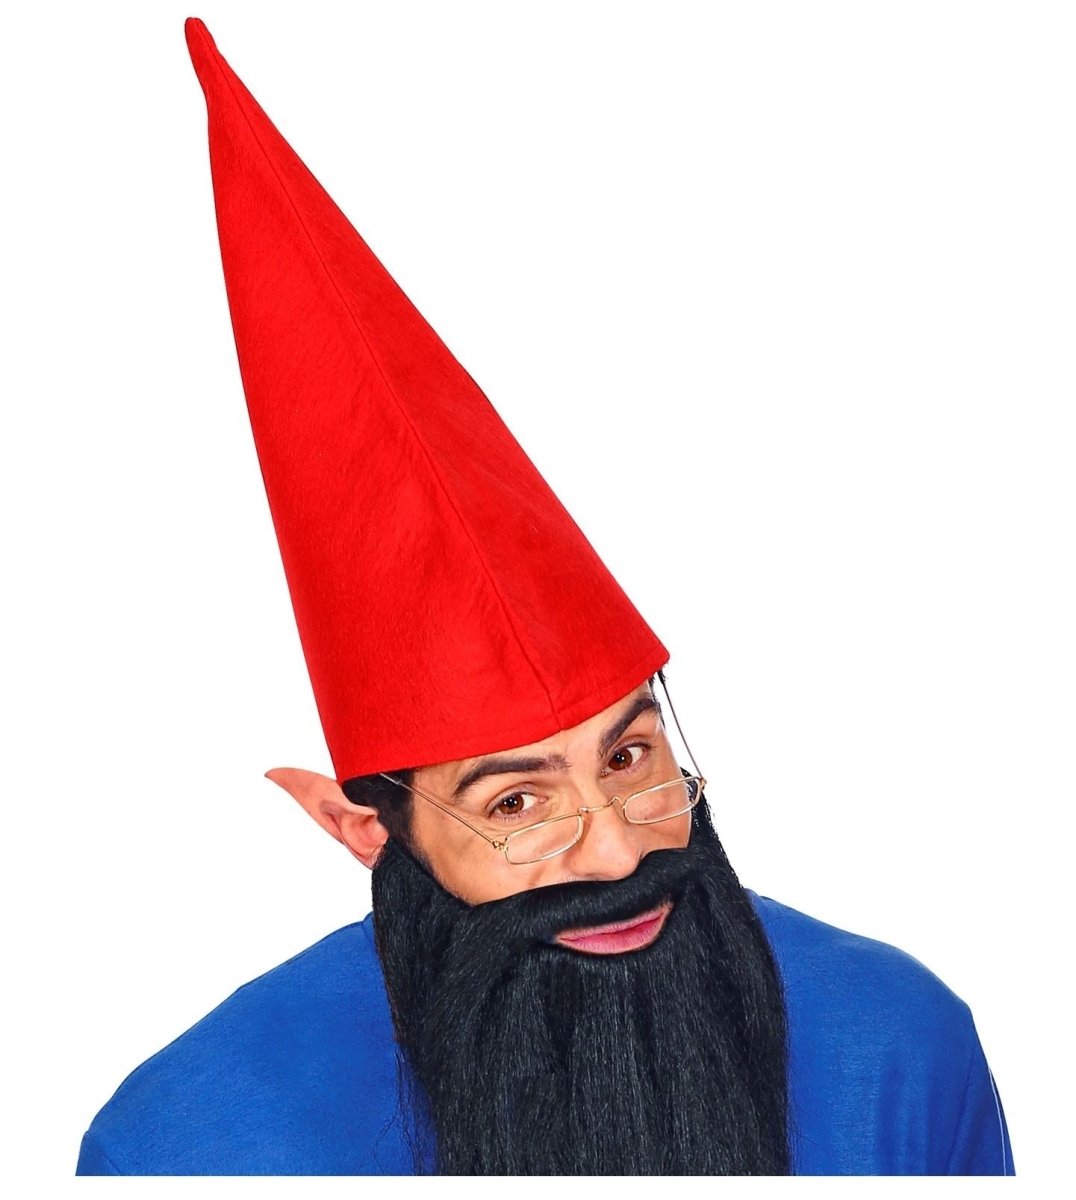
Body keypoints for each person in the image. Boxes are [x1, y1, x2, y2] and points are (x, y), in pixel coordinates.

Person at [75, 18, 1014, 1176]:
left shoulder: (900, 1046)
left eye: (628, 757)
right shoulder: (187, 1148)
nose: (615, 852)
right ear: (362, 830)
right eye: (516, 802)